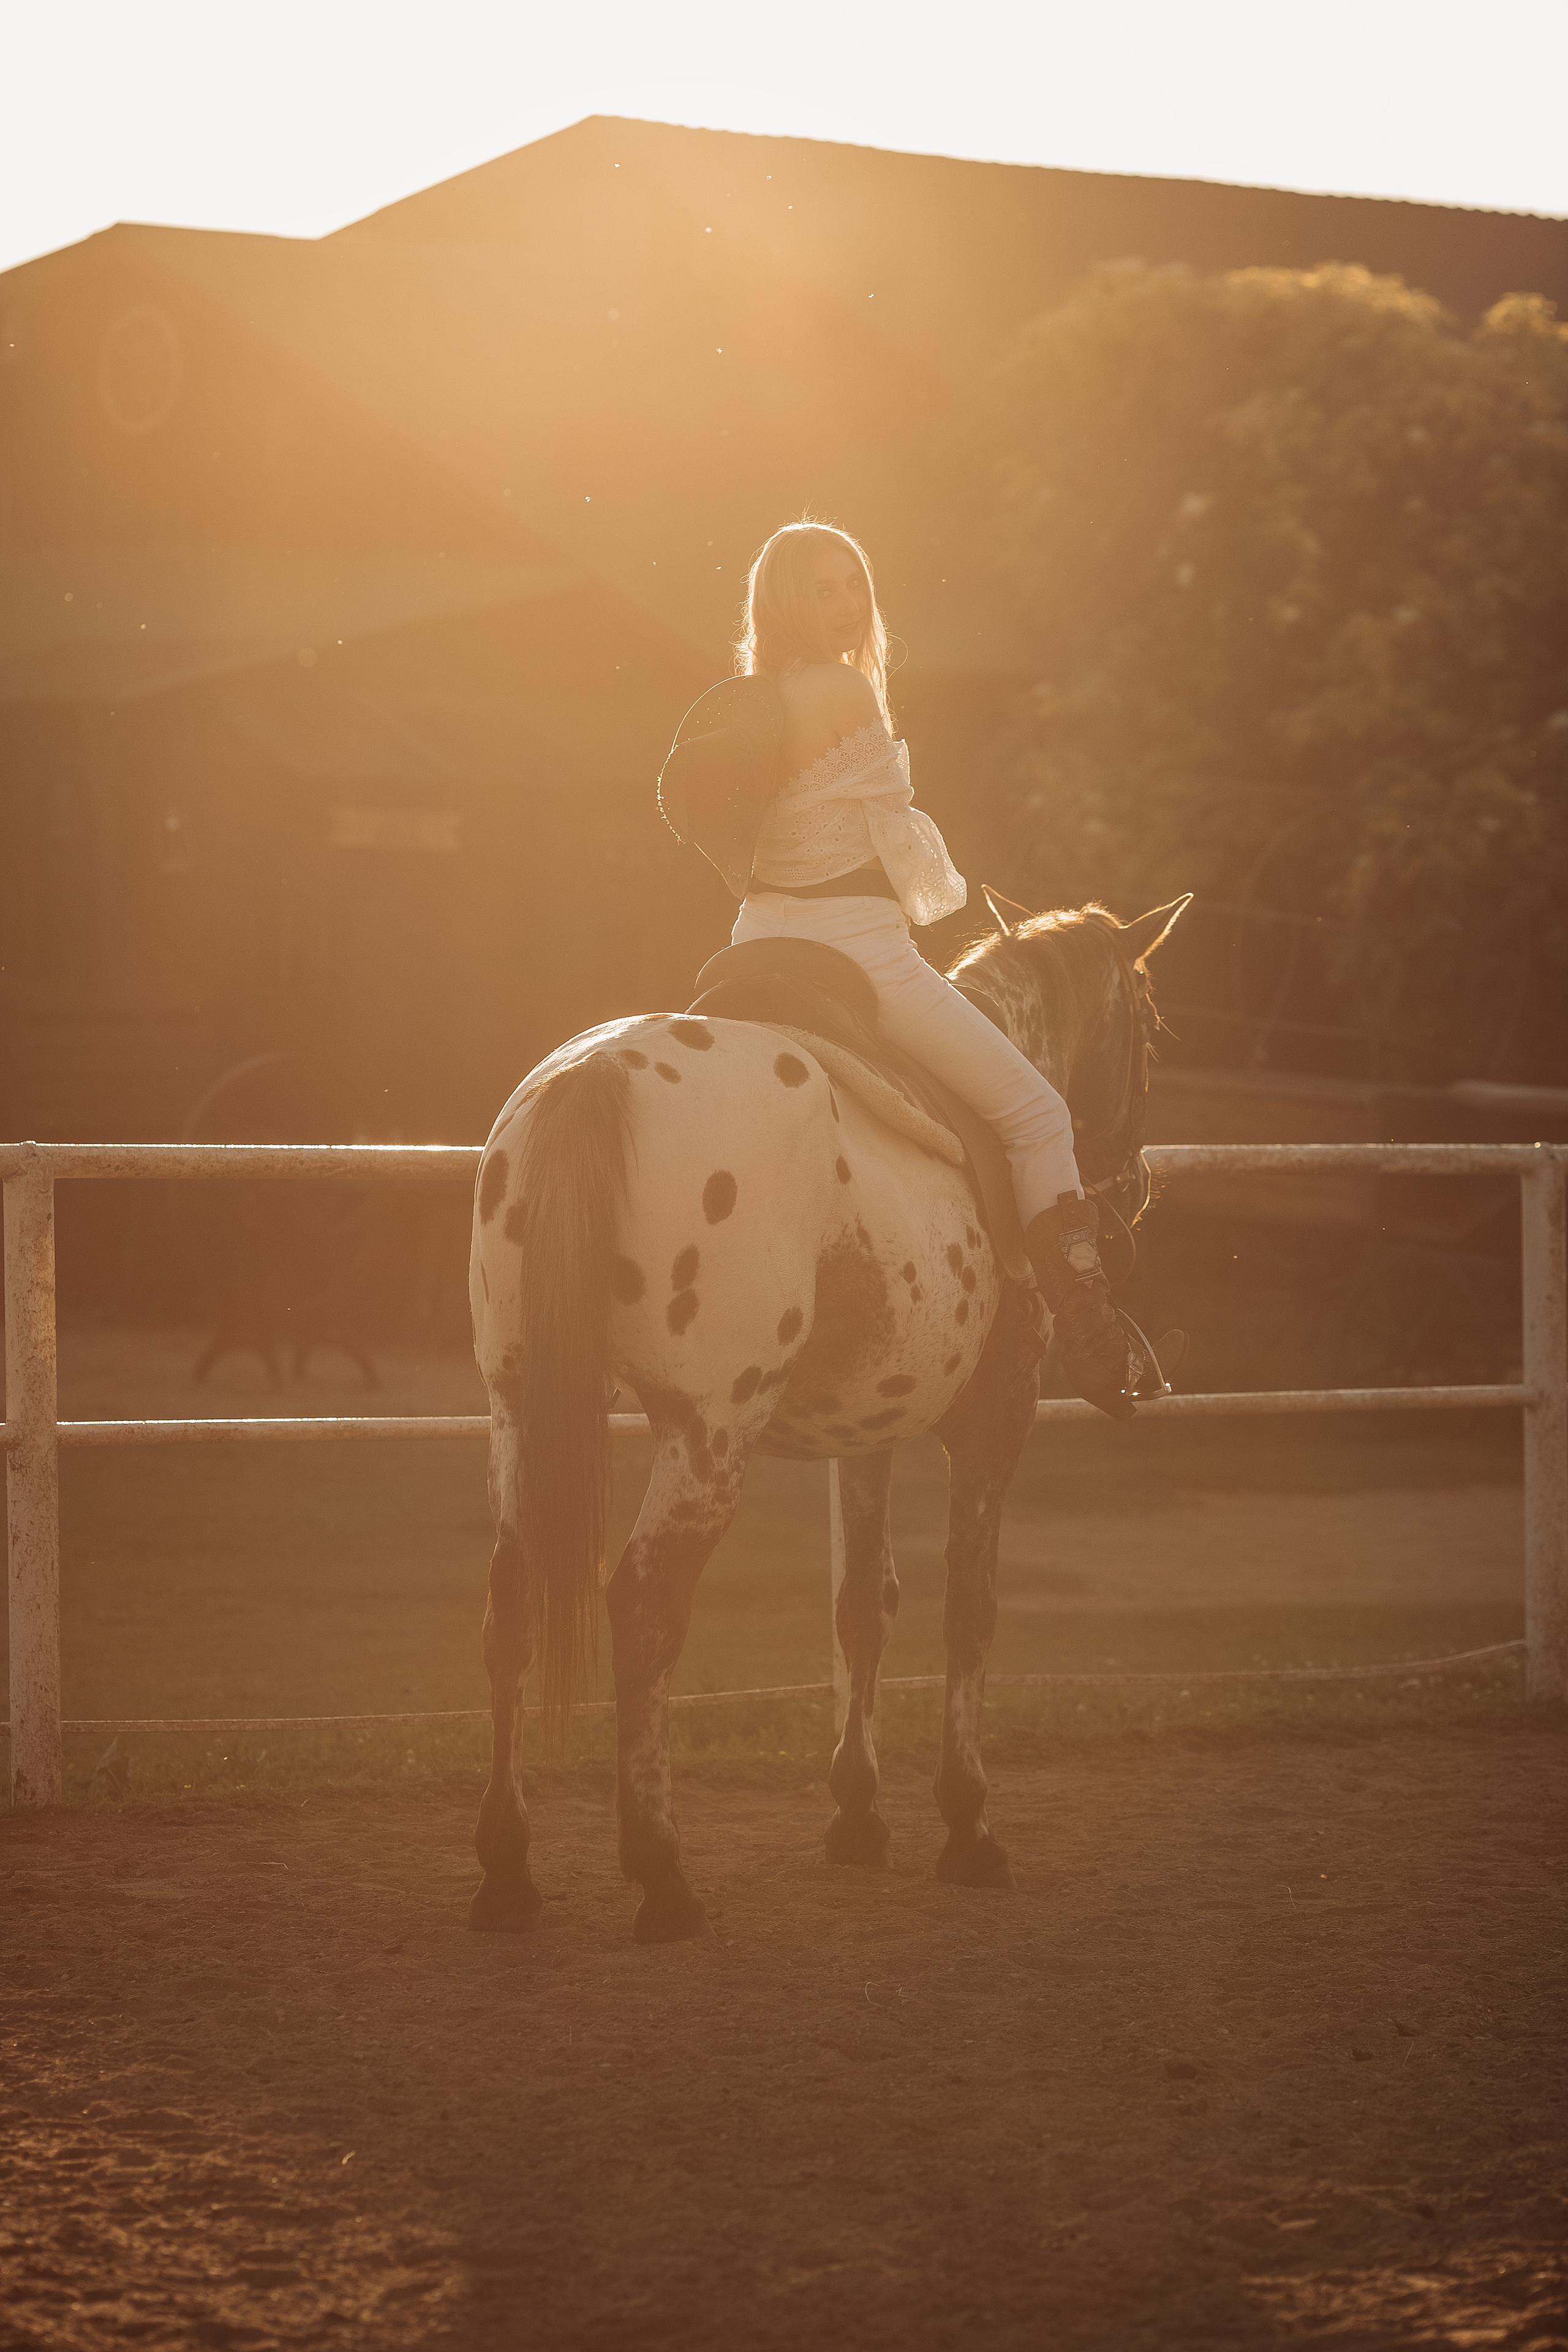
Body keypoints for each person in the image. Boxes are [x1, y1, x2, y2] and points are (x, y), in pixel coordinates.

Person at [729, 520, 1131, 1417]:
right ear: (786, 601)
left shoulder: (745, 704)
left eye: (855, 587)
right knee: (1036, 1111)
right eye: (824, 588)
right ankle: (1095, 1339)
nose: (845, 605)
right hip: (857, 950)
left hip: (751, 942)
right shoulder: (844, 689)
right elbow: (896, 823)